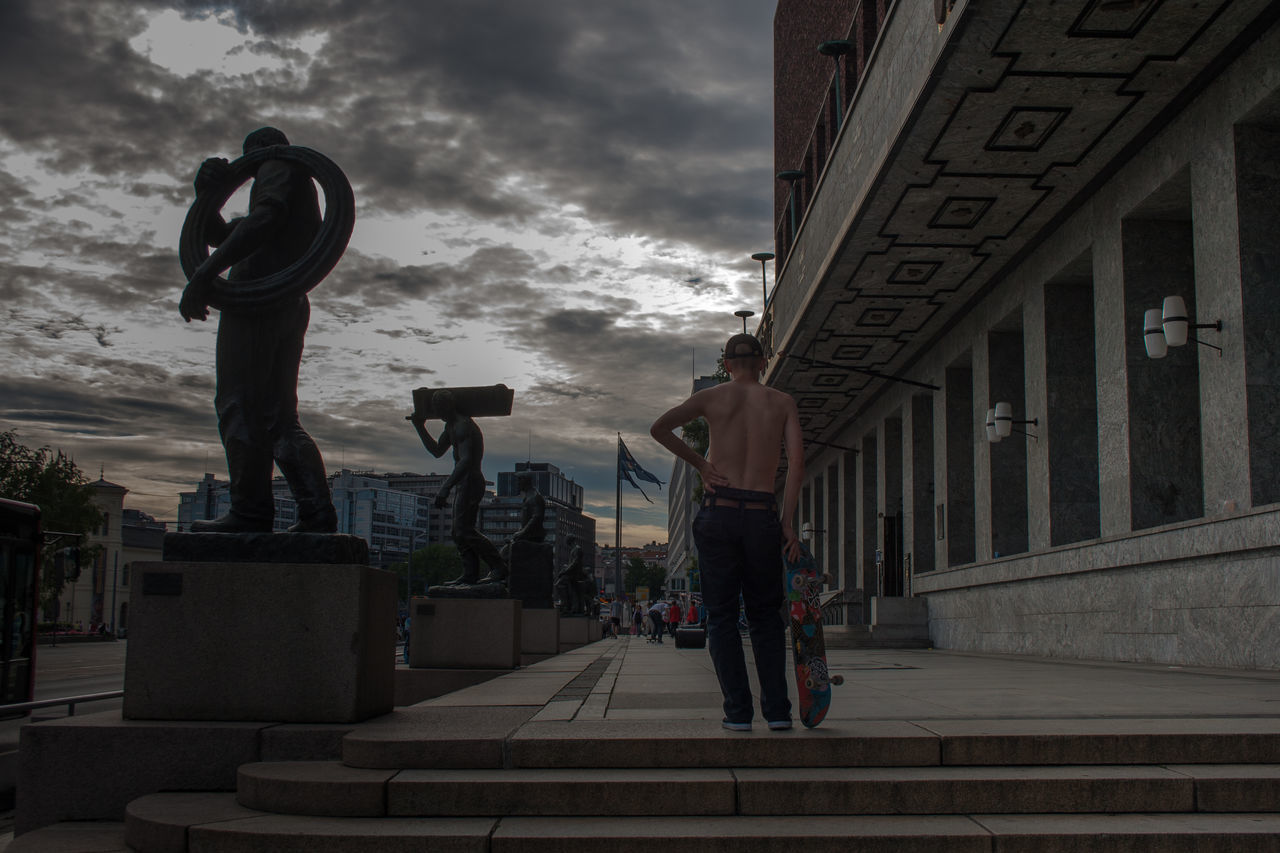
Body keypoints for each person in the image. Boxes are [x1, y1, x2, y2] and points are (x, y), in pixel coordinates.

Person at [180, 127, 338, 533]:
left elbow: (266, 216)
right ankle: (316, 514)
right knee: (279, 418)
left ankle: (249, 512)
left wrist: (203, 276)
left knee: (238, 405)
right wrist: (205, 195)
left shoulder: (277, 166)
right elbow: (221, 235)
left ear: (256, 154)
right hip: (285, 298)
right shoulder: (298, 188)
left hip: (257, 300)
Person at [650, 333, 803, 732]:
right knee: (766, 617)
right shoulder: (782, 402)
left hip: (719, 513)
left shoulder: (712, 398)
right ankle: (778, 712)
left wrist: (701, 465)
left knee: (719, 616)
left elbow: (660, 428)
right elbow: (798, 465)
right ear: (764, 361)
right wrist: (787, 523)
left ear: (728, 363)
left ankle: (738, 712)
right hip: (760, 513)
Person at [410, 390, 507, 585]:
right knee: (458, 532)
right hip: (464, 481)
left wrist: (445, 488)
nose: (439, 413)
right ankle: (470, 574)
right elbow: (437, 451)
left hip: (471, 479)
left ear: (449, 406)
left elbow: (466, 461)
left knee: (464, 530)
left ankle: (499, 566)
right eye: (436, 410)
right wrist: (419, 427)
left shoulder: (464, 426)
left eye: (441, 409)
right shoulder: (450, 426)